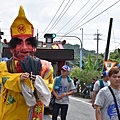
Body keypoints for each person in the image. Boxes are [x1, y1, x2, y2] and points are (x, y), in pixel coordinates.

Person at [0, 6, 54, 120]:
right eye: (19, 43)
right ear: (12, 48)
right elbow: (5, 79)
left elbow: (49, 88)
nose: (24, 48)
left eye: (28, 43)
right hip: (11, 115)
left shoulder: (46, 67)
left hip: (34, 114)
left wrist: (38, 82)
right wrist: (20, 78)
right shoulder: (5, 66)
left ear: (34, 47)